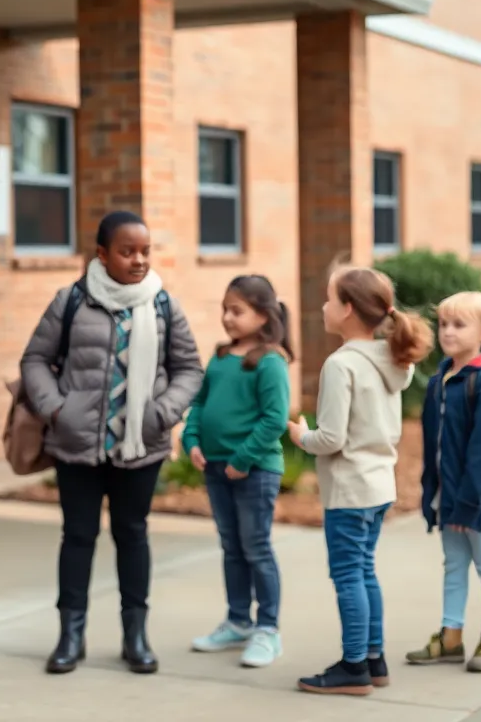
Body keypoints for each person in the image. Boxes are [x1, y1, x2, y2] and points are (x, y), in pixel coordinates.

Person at [20, 211, 204, 675]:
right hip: (76, 445)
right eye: (127, 251)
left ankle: (135, 636)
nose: (138, 260)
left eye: (145, 251)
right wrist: (56, 408)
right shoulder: (71, 301)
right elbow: (36, 359)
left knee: (133, 534)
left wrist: (162, 413)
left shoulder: (163, 304)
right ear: (102, 254)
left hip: (140, 447)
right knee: (78, 537)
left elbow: (189, 369)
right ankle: (70, 635)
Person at [288, 265, 434, 696]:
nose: (323, 307)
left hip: (349, 490)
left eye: (330, 299)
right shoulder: (392, 359)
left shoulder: (341, 364)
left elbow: (331, 438)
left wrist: (300, 435)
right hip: (378, 487)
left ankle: (353, 667)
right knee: (364, 571)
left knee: (348, 575)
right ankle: (374, 659)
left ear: (348, 309)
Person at [184, 274, 293, 668]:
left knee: (256, 547)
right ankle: (237, 621)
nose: (227, 318)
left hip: (254, 471)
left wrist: (241, 460)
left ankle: (268, 629)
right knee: (231, 547)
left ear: (263, 316)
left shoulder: (269, 362)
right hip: (216, 468)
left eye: (237, 311)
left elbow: (274, 420)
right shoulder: (219, 356)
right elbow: (199, 404)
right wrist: (191, 441)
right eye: (224, 310)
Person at [408, 291, 481, 674]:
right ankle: (451, 635)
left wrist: (470, 500)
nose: (448, 331)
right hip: (449, 493)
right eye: (443, 324)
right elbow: (432, 441)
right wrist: (433, 492)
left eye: (459, 324)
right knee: (454, 565)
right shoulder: (443, 376)